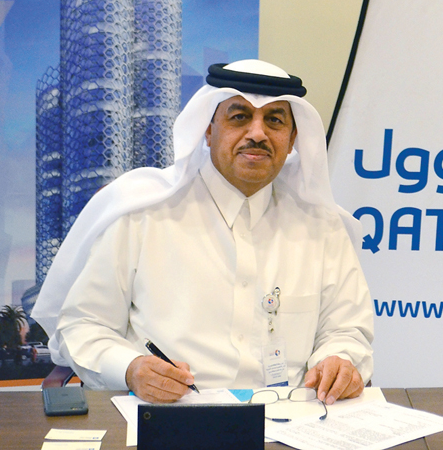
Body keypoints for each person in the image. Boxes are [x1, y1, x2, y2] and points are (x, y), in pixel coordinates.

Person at [33, 60, 373, 404]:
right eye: (239, 117)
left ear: (292, 139)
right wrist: (131, 368)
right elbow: (83, 325)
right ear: (208, 131)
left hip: (291, 422)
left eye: (274, 120)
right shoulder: (142, 213)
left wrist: (338, 361)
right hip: (171, 418)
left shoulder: (322, 226)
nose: (258, 133)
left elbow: (346, 329)